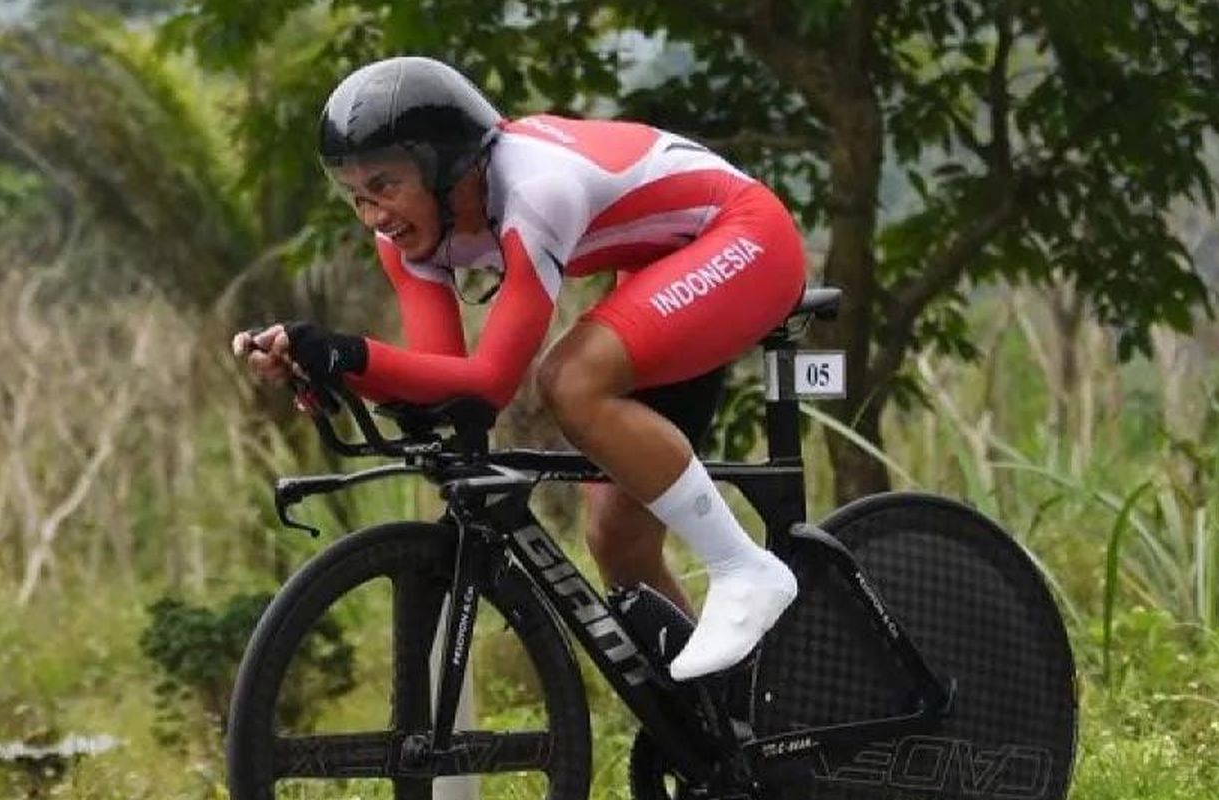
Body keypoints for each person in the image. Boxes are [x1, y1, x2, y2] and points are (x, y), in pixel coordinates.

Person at [233, 56, 805, 680]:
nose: (373, 214)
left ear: (445, 167)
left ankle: (743, 567)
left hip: (745, 236)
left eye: (385, 186)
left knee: (571, 379)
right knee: (616, 538)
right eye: (357, 195)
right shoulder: (407, 237)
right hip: (660, 264)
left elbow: (490, 384)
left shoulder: (537, 189)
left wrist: (346, 352)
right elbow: (441, 382)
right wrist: (326, 367)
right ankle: (721, 719)